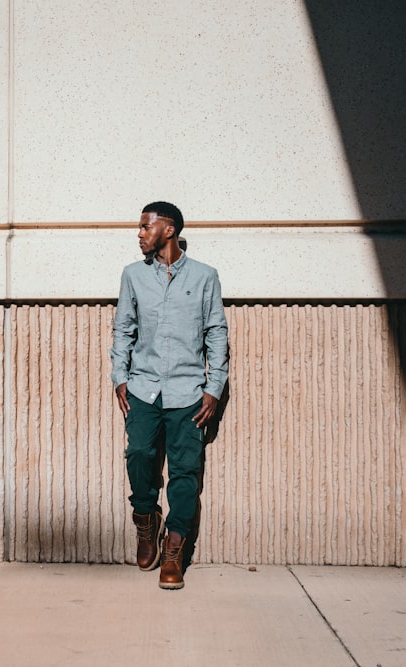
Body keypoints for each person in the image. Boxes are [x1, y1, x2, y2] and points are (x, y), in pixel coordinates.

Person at [110, 201, 229, 590]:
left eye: (146, 227)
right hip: (143, 388)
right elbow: (123, 329)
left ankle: (174, 546)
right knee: (140, 454)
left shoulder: (205, 276)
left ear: (169, 229)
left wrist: (214, 388)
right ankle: (146, 520)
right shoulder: (133, 276)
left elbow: (216, 333)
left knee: (184, 474)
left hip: (188, 392)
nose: (140, 234)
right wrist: (119, 377)